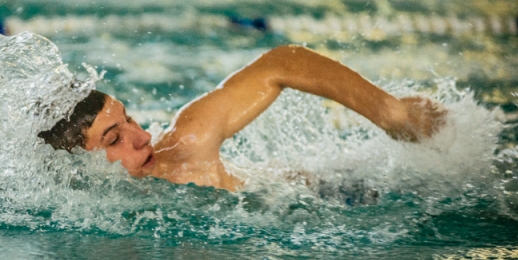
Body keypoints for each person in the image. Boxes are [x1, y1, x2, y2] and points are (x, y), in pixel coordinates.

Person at [39, 45, 445, 192]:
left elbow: (281, 63)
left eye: (130, 120)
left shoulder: (186, 149)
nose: (143, 136)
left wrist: (392, 113)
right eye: (114, 140)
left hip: (344, 191)